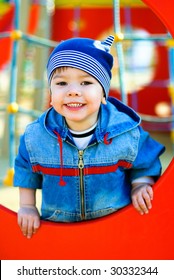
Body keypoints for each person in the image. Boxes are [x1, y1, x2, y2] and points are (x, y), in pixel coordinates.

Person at [14, 35, 165, 239]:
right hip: (59, 230)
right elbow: (26, 168)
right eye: (61, 83)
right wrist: (27, 206)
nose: (73, 92)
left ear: (103, 94)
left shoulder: (125, 131)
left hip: (114, 227)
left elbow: (145, 162)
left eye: (85, 82)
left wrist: (140, 185)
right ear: (50, 92)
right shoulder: (36, 136)